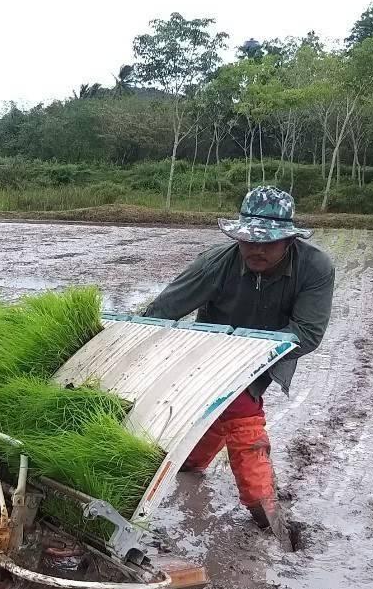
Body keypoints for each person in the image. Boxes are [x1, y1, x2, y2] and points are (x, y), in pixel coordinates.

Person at [142, 186, 335, 541]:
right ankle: (232, 487)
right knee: (234, 410)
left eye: (268, 242)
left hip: (274, 350)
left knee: (236, 406)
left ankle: (261, 506)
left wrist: (244, 354)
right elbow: (162, 311)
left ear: (289, 240)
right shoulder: (217, 263)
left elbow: (307, 333)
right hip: (210, 353)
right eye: (249, 241)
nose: (256, 249)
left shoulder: (315, 268)